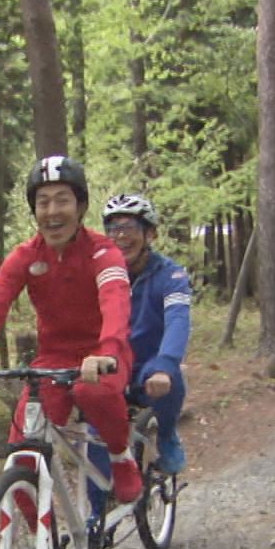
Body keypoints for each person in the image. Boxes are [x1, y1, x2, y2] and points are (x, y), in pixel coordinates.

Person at [0, 155, 143, 507]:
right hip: (53, 359)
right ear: (34, 210)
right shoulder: (25, 256)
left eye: (62, 200)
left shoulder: (103, 253)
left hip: (103, 354)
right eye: (43, 202)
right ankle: (33, 543)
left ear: (80, 207)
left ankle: (120, 457)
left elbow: (116, 302)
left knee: (92, 392)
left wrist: (107, 351)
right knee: (21, 450)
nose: (52, 211)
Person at [100, 193, 190, 474]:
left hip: (150, 362)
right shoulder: (102, 274)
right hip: (111, 363)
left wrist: (165, 365)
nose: (120, 236)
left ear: (149, 233)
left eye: (129, 227)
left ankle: (166, 437)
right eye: (113, 228)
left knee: (170, 378)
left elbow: (178, 320)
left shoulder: (171, 275)